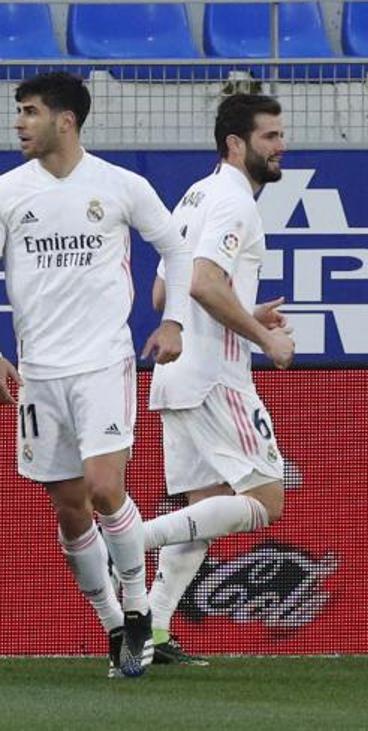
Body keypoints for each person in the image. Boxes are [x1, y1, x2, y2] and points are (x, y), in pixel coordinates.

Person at [0, 72, 192, 677]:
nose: (19, 123)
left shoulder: (119, 185)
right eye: (18, 113)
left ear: (66, 120)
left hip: (103, 362)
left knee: (107, 487)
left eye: (29, 112)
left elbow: (177, 248)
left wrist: (176, 322)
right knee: (69, 507)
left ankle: (139, 608)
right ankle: (114, 626)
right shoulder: (8, 192)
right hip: (39, 373)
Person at [142, 93, 294, 664]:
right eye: (270, 137)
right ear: (236, 143)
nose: (282, 146)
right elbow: (204, 283)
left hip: (178, 379)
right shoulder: (233, 200)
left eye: (282, 135)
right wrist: (266, 338)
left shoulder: (194, 195)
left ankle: (151, 632)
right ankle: (131, 540)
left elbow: (165, 292)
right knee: (266, 498)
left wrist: (247, 312)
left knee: (202, 512)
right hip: (215, 378)